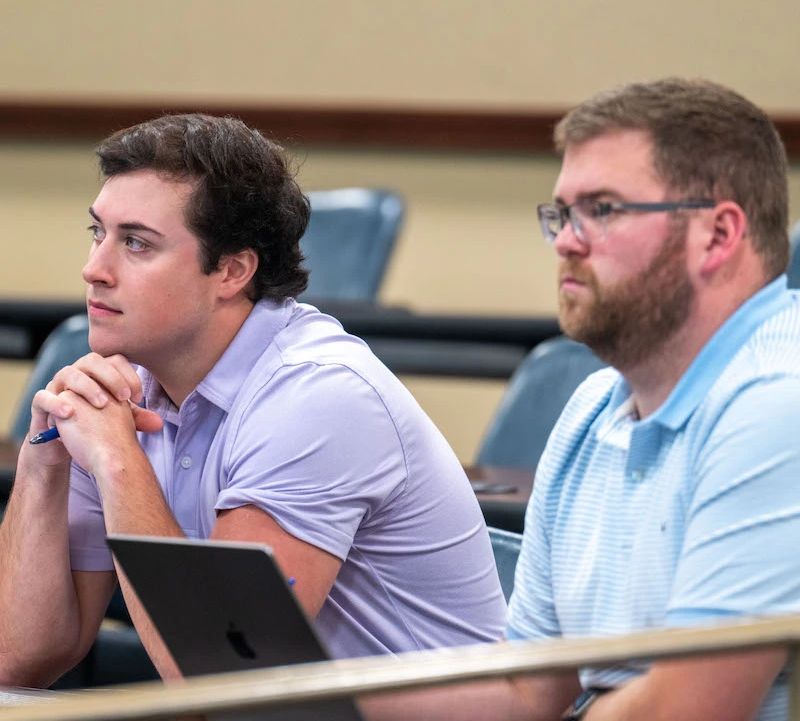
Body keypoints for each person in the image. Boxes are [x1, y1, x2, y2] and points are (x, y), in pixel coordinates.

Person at [0, 113, 506, 687]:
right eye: (98, 233)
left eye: (136, 244)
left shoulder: (318, 396)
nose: (93, 269)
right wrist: (45, 462)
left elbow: (219, 673)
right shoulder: (120, 389)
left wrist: (116, 461)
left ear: (233, 271)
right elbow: (16, 662)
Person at [365, 78, 800, 721]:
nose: (567, 240)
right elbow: (530, 692)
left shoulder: (777, 403)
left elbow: (691, 709)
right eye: (563, 213)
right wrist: (309, 692)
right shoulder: (592, 407)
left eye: (603, 209)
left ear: (718, 234)